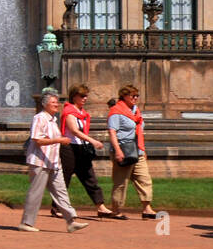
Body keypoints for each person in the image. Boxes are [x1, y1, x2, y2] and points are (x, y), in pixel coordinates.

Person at [19, 93, 88, 234]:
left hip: (53, 163)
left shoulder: (52, 120)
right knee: (36, 193)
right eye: (53, 102)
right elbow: (36, 140)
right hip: (40, 162)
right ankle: (26, 223)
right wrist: (59, 140)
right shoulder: (40, 118)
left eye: (57, 102)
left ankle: (71, 221)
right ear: (45, 104)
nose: (57, 105)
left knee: (61, 191)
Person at [59, 85, 115, 219]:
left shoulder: (82, 112)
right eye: (82, 96)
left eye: (86, 96)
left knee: (89, 176)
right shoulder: (69, 110)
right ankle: (57, 207)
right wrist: (93, 141)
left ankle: (100, 206)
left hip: (80, 148)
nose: (85, 98)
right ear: (74, 97)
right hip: (68, 148)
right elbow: (74, 131)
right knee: (64, 178)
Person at [108, 85, 158, 219]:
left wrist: (143, 149)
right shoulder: (116, 111)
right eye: (132, 95)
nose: (135, 98)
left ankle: (147, 209)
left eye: (137, 96)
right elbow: (112, 132)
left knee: (144, 179)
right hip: (123, 150)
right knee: (121, 182)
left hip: (137, 150)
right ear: (124, 96)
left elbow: (139, 131)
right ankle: (116, 210)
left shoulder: (136, 111)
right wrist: (118, 151)